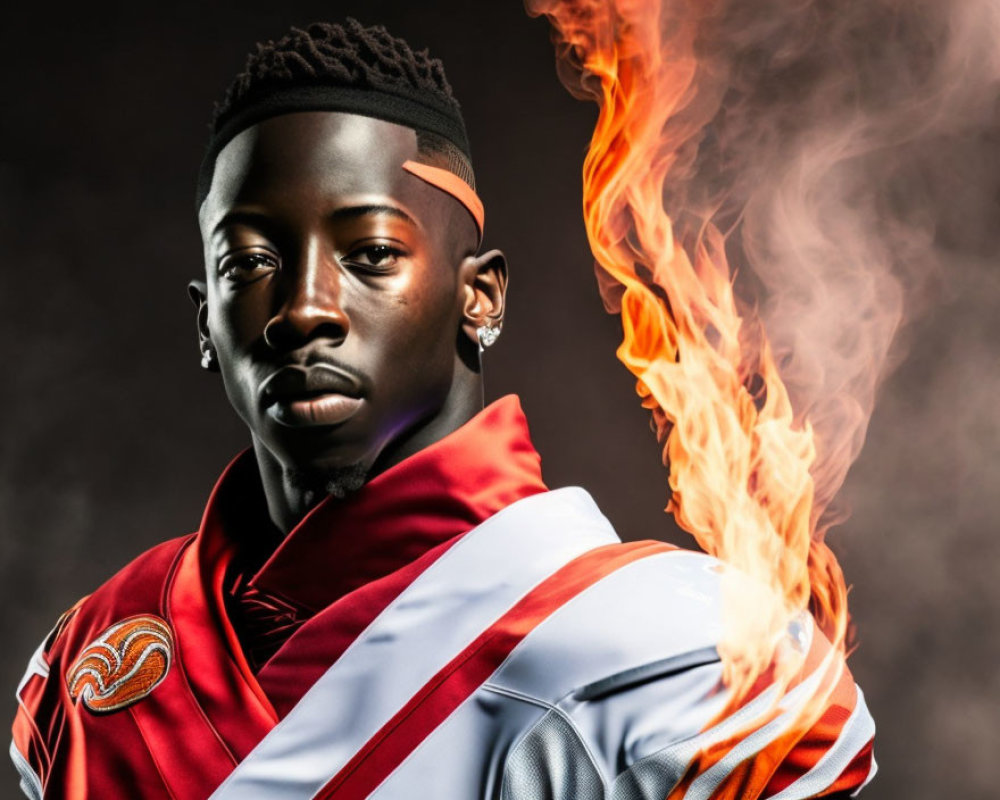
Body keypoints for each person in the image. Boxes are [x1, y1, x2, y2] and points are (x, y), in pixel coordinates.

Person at [10, 19, 875, 799]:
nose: (303, 306)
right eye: (250, 264)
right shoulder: (93, 654)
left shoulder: (683, 651)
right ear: (206, 322)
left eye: (373, 252)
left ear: (481, 298)